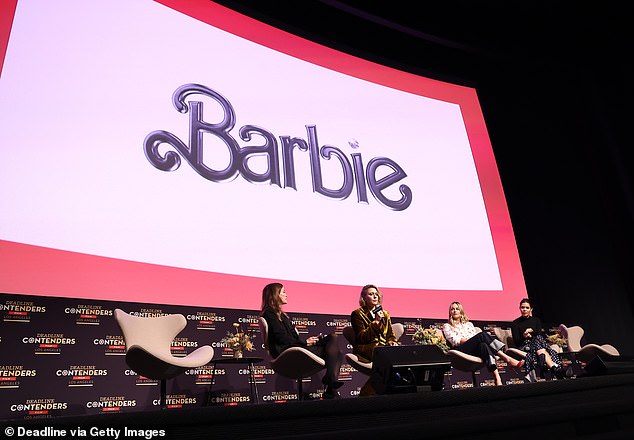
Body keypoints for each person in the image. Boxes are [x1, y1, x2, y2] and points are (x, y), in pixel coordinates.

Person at [260, 282, 344, 399]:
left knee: (333, 339)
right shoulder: (269, 314)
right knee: (337, 352)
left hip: (295, 348)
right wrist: (305, 343)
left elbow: (293, 338)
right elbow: (281, 338)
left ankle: (330, 384)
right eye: (283, 292)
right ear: (275, 295)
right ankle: (330, 385)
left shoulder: (283, 316)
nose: (286, 295)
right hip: (285, 352)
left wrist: (307, 342)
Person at [442, 301, 523, 386]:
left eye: (457, 309)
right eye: (452, 309)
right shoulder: (447, 326)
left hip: (473, 349)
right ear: (450, 312)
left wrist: (474, 341)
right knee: (482, 335)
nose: (454, 311)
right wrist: (473, 341)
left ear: (461, 311)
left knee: (483, 345)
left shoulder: (469, 324)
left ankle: (497, 377)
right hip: (461, 350)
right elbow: (454, 340)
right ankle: (507, 359)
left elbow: (474, 336)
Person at [511, 298, 565, 382]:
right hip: (525, 346)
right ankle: (554, 367)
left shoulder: (536, 320)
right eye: (522, 307)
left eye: (527, 308)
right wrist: (524, 336)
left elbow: (540, 335)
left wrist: (532, 333)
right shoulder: (515, 323)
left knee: (538, 339)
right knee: (541, 344)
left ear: (531, 309)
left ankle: (544, 363)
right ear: (520, 308)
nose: (524, 310)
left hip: (538, 344)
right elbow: (517, 342)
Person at [350, 284, 399, 362]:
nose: (375, 296)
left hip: (383, 347)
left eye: (376, 294)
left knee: (402, 353)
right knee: (385, 354)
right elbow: (361, 338)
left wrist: (392, 342)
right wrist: (376, 322)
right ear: (364, 298)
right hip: (367, 348)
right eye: (371, 294)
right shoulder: (357, 314)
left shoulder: (385, 313)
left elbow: (390, 335)